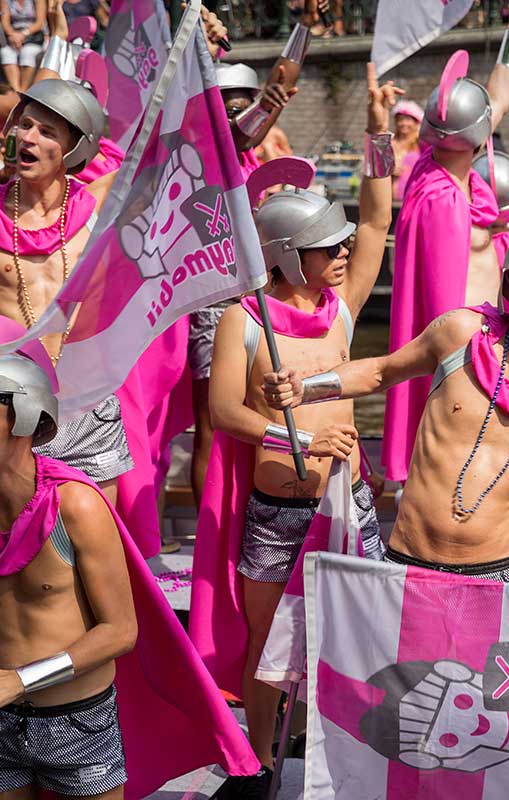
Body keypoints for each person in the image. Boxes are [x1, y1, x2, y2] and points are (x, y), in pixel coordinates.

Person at [189, 66, 397, 798]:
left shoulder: (340, 309)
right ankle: (259, 767)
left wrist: (378, 137)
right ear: (282, 253)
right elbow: (225, 415)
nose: (342, 254)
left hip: (349, 507)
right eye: (326, 246)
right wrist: (291, 440)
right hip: (278, 513)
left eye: (339, 245)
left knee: (358, 642)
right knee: (269, 651)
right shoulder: (243, 321)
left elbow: (376, 224)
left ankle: (350, 768)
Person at [263, 192, 509, 586]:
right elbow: (381, 372)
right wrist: (305, 389)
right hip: (411, 562)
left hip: (504, 574)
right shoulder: (460, 333)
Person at [0, 332, 260, 800]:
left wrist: (20, 680)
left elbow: (121, 631)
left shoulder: (75, 506)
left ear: (23, 414)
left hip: (74, 725)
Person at [382, 0, 509, 486]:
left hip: (485, 344)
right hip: (463, 353)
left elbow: (496, 101)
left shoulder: (436, 167)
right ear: (475, 137)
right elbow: (443, 299)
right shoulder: (444, 200)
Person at [0, 77, 131, 509]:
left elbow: (161, 158)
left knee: (101, 543)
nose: (28, 137)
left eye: (46, 131)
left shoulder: (96, 214)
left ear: (73, 151)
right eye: (25, 125)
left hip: (87, 403)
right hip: (9, 409)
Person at [190, 60, 297, 507]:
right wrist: (267, 103)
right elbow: (234, 134)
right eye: (229, 109)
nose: (238, 117)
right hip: (214, 305)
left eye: (244, 106)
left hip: (257, 302)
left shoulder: (253, 160)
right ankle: (206, 539)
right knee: (212, 425)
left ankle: (246, 523)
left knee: (262, 412)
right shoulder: (205, 151)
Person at [1, 0, 46, 90]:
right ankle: (15, 91)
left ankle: (24, 91)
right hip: (13, 37)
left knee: (28, 53)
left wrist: (23, 34)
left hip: (33, 36)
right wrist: (13, 35)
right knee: (6, 53)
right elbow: (5, 22)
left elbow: (40, 23)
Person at [390, 97, 421, 200]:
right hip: (390, 195)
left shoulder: (421, 144)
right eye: (400, 120)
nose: (403, 124)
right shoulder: (390, 142)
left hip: (414, 196)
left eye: (408, 120)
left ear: (416, 122)